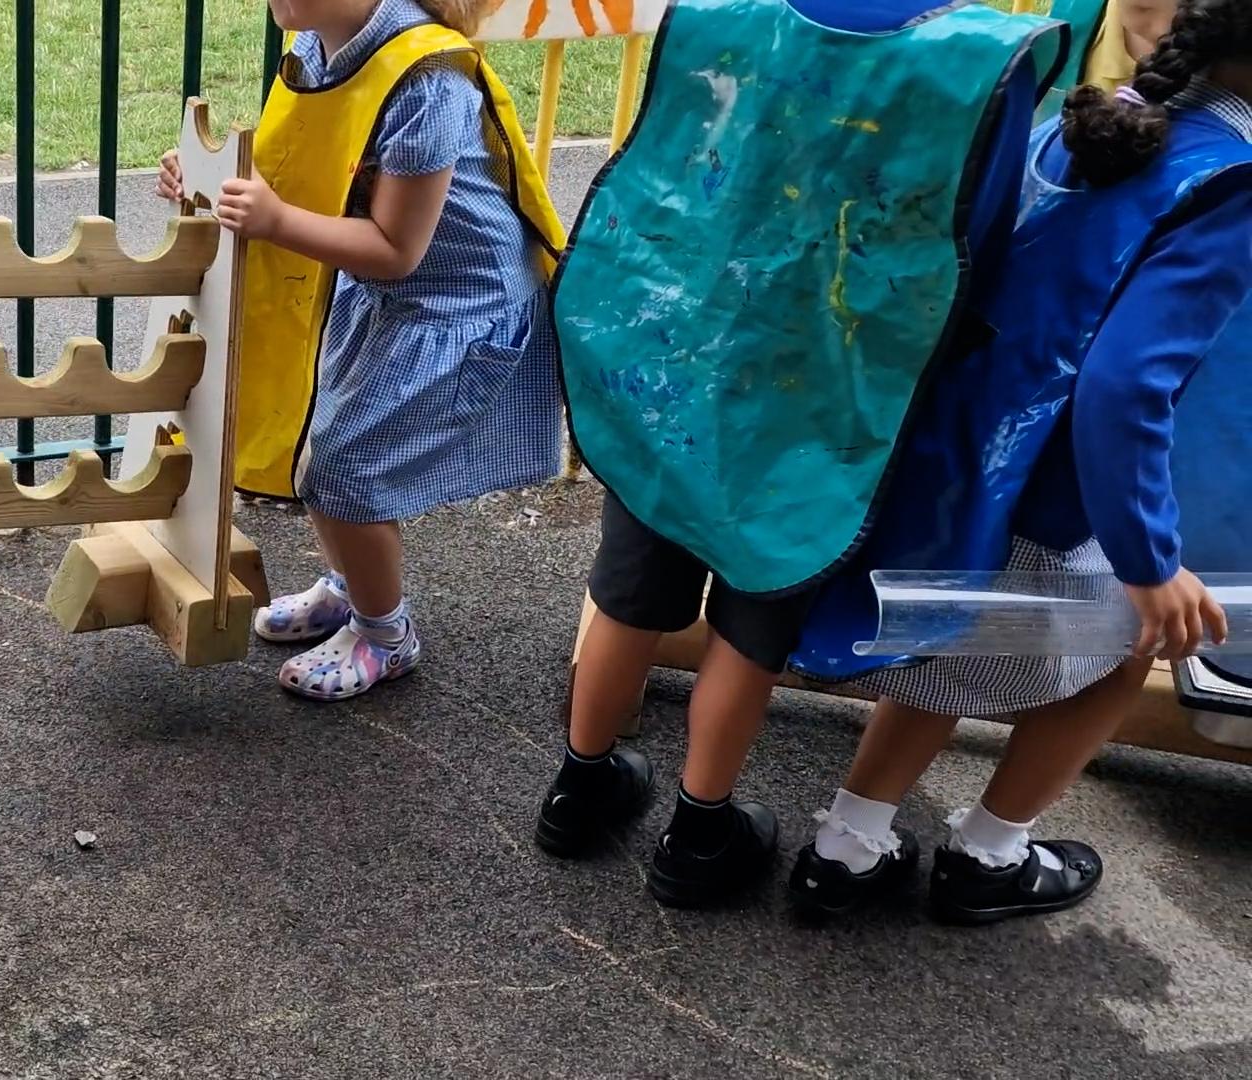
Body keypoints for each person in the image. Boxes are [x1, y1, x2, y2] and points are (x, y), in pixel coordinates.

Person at [536, 0, 1063, 908]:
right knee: (754, 618)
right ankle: (698, 836)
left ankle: (578, 790)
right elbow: (979, 238)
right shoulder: (981, 57)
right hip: (828, 402)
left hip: (682, 370)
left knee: (629, 585)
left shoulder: (715, 13)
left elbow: (663, 175)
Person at [787, 0, 1252, 925]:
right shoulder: (1230, 183)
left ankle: (845, 849)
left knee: (964, 642)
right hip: (1040, 495)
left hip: (946, 460)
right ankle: (990, 857)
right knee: (1127, 646)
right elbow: (1124, 389)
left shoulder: (1091, 121)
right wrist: (1150, 564)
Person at [158, 0, 567, 702]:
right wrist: (210, 187)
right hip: (380, 295)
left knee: (346, 468)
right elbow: (312, 173)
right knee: (321, 446)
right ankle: (352, 585)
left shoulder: (426, 81)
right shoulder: (321, 46)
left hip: (455, 309)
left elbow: (396, 249)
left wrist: (275, 219)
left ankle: (386, 634)